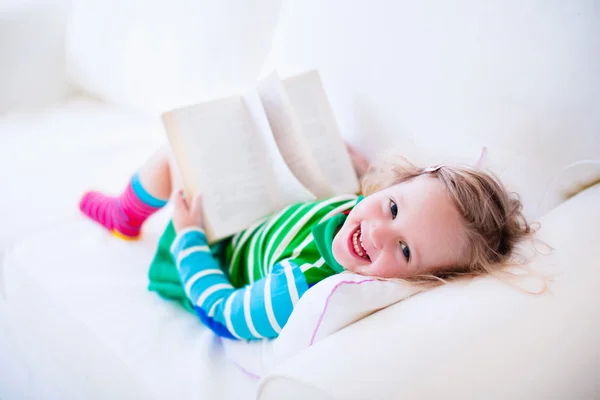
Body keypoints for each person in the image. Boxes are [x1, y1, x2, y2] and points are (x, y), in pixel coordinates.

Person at [79, 144, 532, 340]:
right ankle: (128, 209)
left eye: (406, 250)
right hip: (252, 215)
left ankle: (123, 216)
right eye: (392, 208)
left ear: (423, 279)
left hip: (207, 254)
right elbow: (376, 208)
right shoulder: (362, 214)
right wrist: (356, 171)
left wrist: (191, 236)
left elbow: (221, 313)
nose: (377, 232)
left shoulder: (298, 288)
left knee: (171, 158)